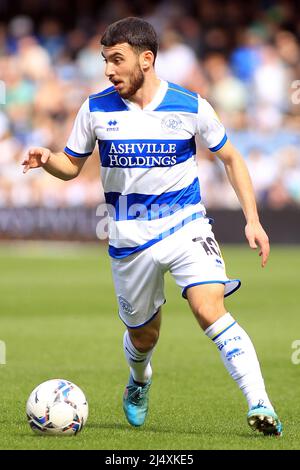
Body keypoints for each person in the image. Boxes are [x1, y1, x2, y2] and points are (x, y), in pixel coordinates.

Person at [22, 17, 282, 436]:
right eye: (105, 60)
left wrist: (253, 219)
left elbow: (232, 158)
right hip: (127, 236)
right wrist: (47, 159)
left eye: (116, 59)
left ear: (147, 59)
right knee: (143, 336)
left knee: (209, 308)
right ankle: (139, 380)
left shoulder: (190, 105)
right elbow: (71, 165)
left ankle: (260, 403)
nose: (108, 69)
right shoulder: (95, 109)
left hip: (186, 225)